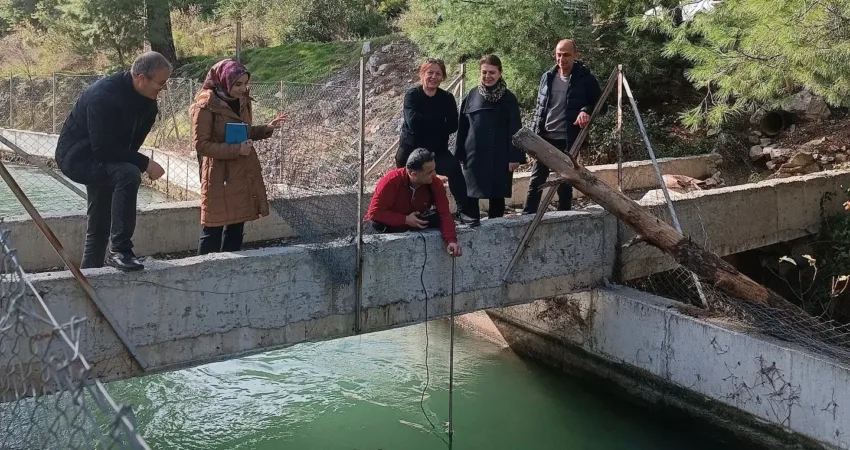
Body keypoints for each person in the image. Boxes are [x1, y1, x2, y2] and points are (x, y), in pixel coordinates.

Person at [55, 52, 170, 272]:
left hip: (107, 157)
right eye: (161, 83)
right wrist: (145, 163)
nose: (163, 89)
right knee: (128, 173)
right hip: (77, 157)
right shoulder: (104, 95)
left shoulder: (149, 106)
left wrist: (134, 160)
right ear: (141, 78)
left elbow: (129, 146)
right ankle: (121, 250)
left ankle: (91, 275)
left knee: (99, 223)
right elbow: (103, 148)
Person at [190, 59, 287, 255]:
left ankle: (231, 269)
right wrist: (236, 150)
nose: (243, 89)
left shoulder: (242, 102)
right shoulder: (206, 106)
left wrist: (265, 129)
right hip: (218, 174)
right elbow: (201, 144)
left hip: (242, 172)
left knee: (236, 225)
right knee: (213, 227)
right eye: (238, 84)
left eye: (245, 83)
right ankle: (204, 271)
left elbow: (242, 131)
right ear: (223, 80)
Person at [522, 39, 601, 215]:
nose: (562, 58)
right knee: (536, 179)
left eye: (566, 55)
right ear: (554, 55)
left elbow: (600, 104)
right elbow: (540, 107)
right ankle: (528, 216)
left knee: (565, 182)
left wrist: (586, 110)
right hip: (544, 137)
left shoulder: (585, 79)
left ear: (576, 55)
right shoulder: (547, 77)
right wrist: (535, 134)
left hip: (568, 139)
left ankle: (565, 215)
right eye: (559, 54)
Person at [396, 58, 471, 222]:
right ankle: (404, 214)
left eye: (438, 73)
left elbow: (452, 125)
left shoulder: (447, 98)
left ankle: (463, 212)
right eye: (430, 72)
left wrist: (427, 122)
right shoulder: (412, 95)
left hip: (437, 150)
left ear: (442, 77)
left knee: (454, 169)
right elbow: (413, 123)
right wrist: (439, 121)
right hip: (411, 150)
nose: (434, 77)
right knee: (404, 180)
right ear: (422, 74)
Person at [454, 54, 525, 225]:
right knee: (471, 195)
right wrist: (459, 154)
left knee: (497, 196)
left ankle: (496, 229)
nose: (488, 76)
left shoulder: (509, 99)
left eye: (492, 72)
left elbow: (516, 128)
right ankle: (472, 228)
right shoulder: (471, 96)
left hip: (500, 156)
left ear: (500, 73)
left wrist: (514, 157)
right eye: (484, 72)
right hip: (474, 155)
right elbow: (462, 127)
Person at [365, 148, 462, 257]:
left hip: (414, 223)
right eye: (430, 172)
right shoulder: (391, 181)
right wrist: (405, 219)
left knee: (436, 217)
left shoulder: (435, 183)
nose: (435, 174)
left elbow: (445, 214)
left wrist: (451, 241)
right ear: (413, 174)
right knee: (375, 223)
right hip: (389, 226)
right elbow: (373, 213)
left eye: (434, 170)